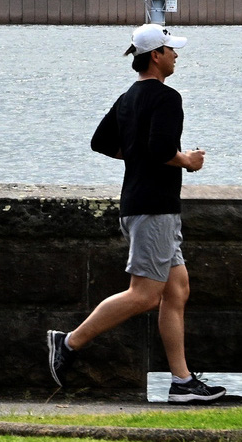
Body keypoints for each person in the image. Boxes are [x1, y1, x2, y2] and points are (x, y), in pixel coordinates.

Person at [48, 24, 226, 403]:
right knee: (144, 295)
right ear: (156, 55)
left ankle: (182, 382)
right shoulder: (166, 97)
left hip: (141, 204)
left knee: (176, 290)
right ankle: (68, 343)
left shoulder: (128, 97)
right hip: (153, 208)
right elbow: (162, 149)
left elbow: (101, 143)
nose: (177, 55)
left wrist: (141, 156)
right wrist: (188, 161)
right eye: (171, 49)